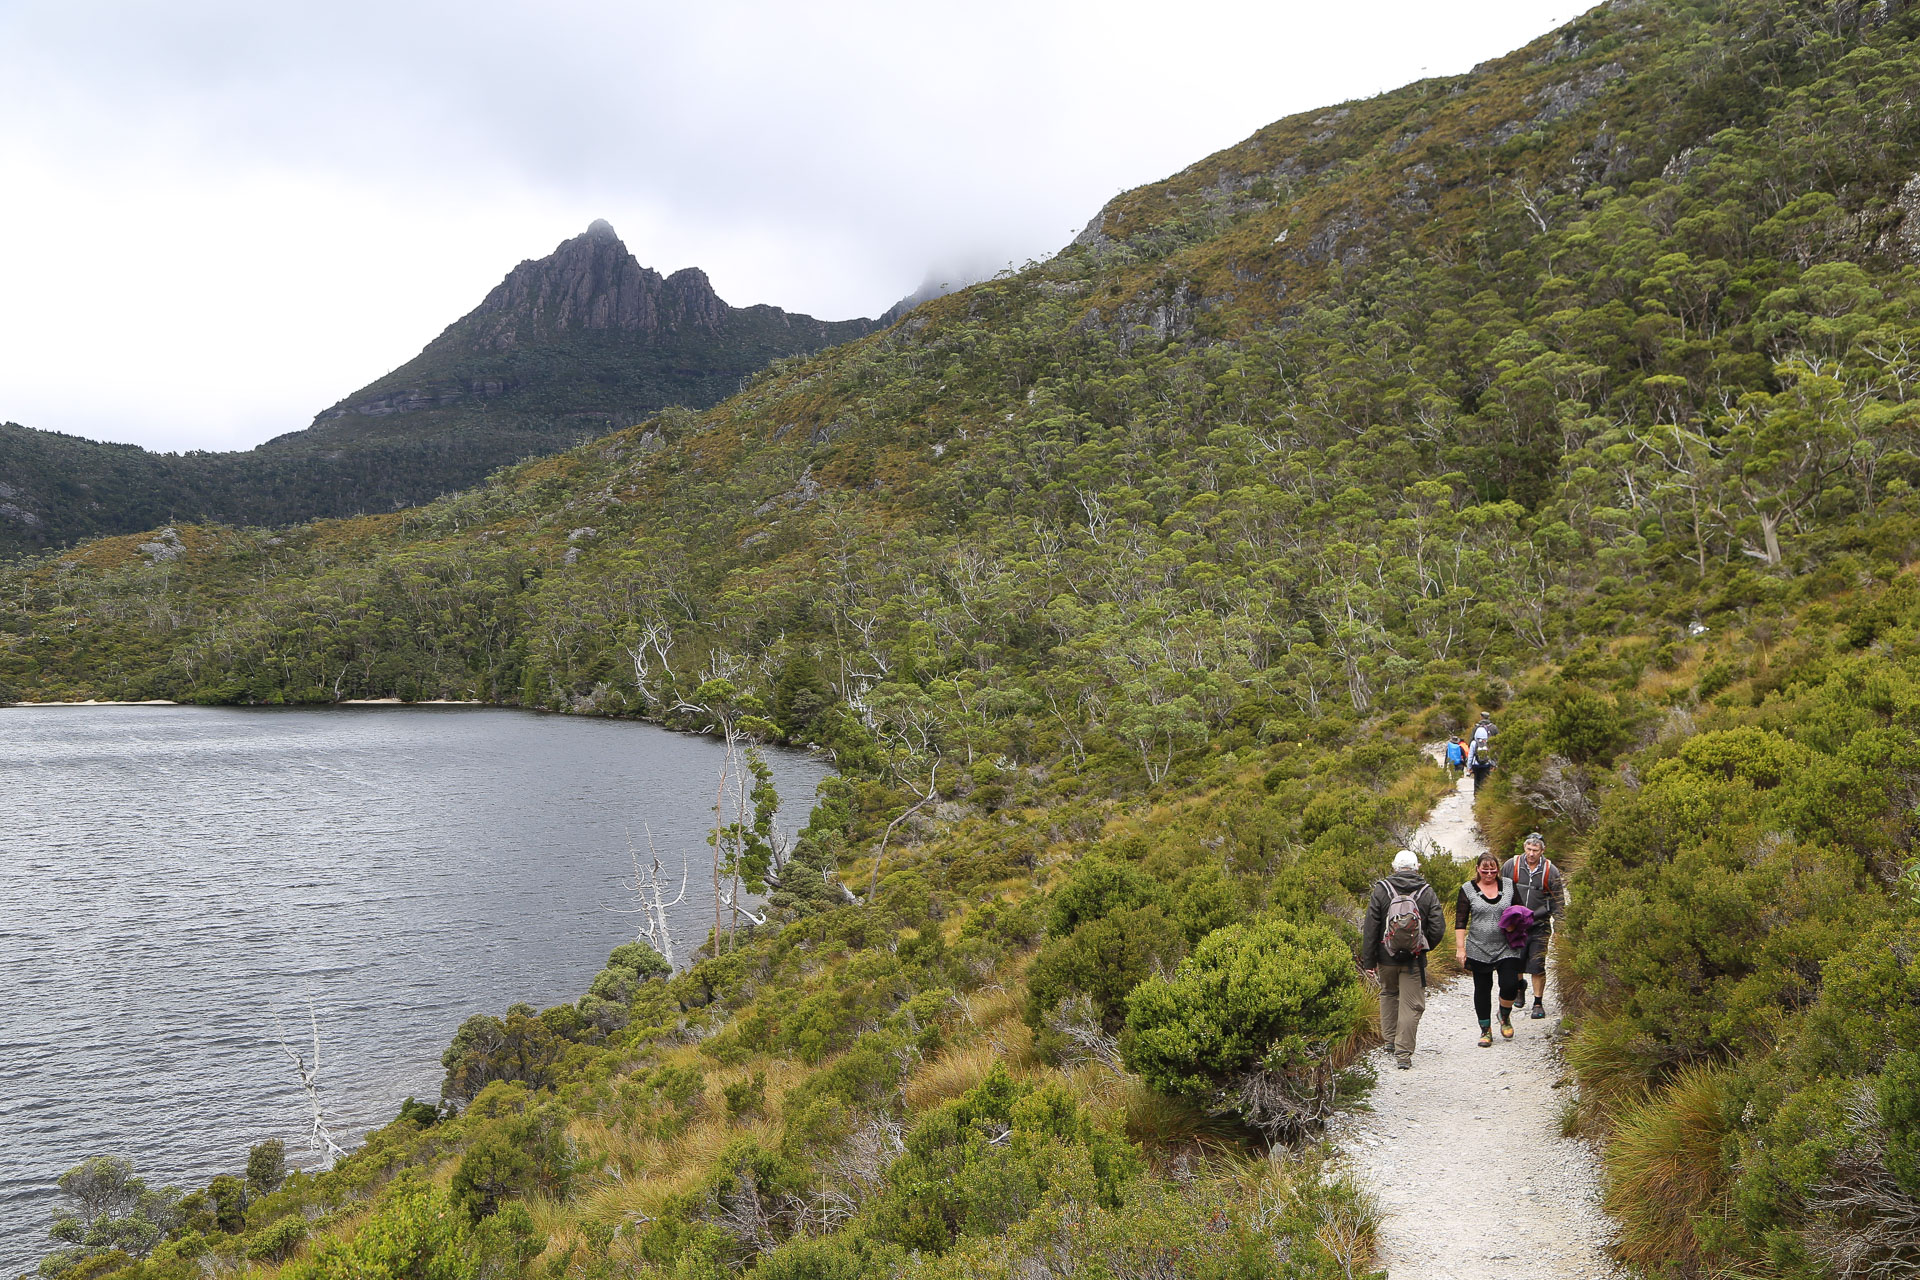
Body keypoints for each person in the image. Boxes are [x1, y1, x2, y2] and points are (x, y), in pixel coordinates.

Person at [1360, 849, 1446, 1070]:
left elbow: (1370, 928)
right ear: (1416, 867)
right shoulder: (1426, 891)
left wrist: (1369, 961)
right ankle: (1403, 1054)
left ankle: (1390, 1041)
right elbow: (1437, 927)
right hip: (1413, 961)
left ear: (1395, 867)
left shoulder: (1381, 889)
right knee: (1412, 1004)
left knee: (1388, 993)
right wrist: (1423, 947)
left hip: (1385, 957)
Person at [1455, 851, 1524, 1046]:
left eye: (1493, 870)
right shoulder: (1467, 889)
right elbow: (1460, 921)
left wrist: (1514, 925)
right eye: (1485, 870)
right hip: (1478, 947)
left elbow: (1521, 911)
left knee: (1510, 984)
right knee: (1483, 989)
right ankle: (1485, 1030)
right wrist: (1461, 948)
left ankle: (1504, 1015)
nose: (1489, 874)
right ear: (1477, 869)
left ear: (1498, 870)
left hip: (1507, 946)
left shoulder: (1509, 886)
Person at [1503, 832, 1567, 1018]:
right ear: (1524, 848)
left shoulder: (1550, 870)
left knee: (1538, 964)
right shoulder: (1511, 865)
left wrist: (1559, 928)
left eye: (1535, 850)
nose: (1531, 854)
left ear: (1542, 850)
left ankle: (1538, 1003)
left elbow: (1558, 900)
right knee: (1515, 961)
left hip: (1540, 924)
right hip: (1515, 925)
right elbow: (1500, 891)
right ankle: (1519, 989)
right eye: (1529, 849)